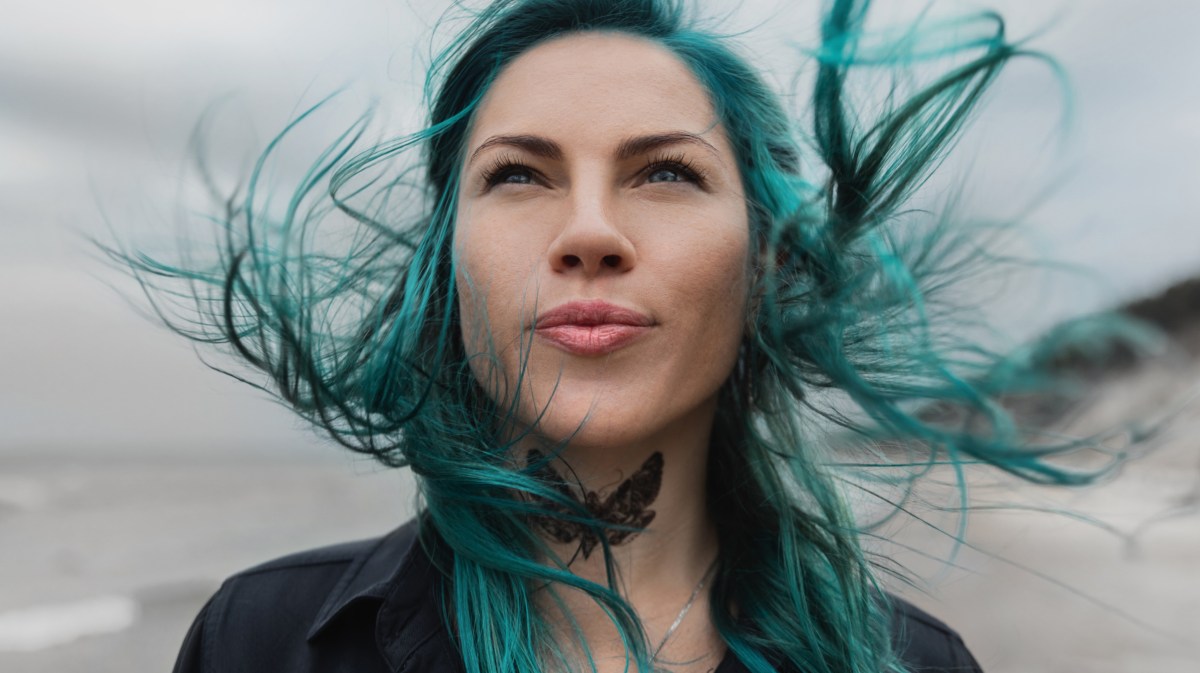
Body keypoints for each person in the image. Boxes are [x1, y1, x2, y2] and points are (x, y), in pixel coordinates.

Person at [130, 0, 1116, 671]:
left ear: (765, 263)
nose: (591, 232)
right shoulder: (262, 643)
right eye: (519, 175)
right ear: (445, 264)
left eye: (666, 174)